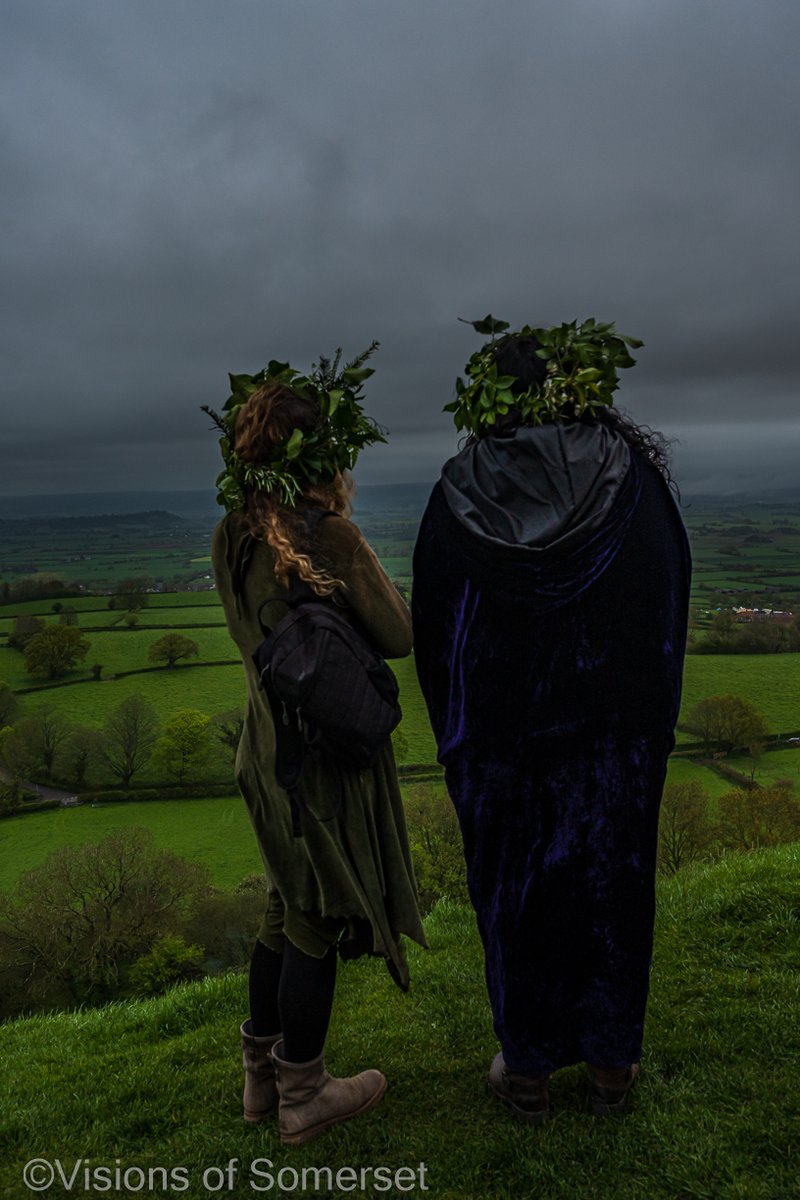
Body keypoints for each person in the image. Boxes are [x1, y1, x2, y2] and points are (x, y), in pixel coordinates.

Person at [411, 319, 691, 1123]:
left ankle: (528, 1071)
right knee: (614, 890)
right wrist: (643, 729)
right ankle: (612, 1065)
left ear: (488, 399)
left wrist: (465, 740)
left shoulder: (455, 496)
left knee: (514, 898)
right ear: (579, 390)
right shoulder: (634, 482)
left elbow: (436, 630)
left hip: (500, 745)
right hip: (615, 741)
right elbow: (665, 602)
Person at [208, 349, 427, 1146]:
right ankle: (304, 1092)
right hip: (321, 764)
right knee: (313, 920)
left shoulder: (230, 535)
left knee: (282, 903)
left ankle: (260, 1080)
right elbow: (398, 635)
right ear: (321, 457)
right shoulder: (327, 537)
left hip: (262, 755)